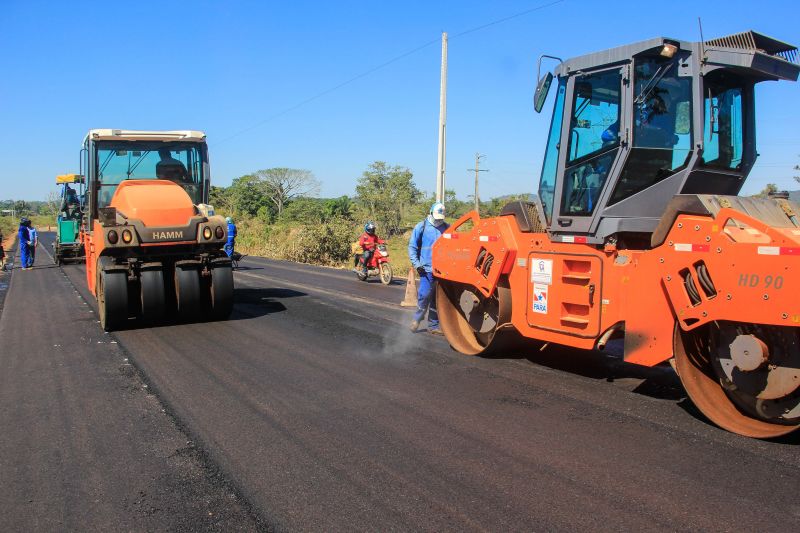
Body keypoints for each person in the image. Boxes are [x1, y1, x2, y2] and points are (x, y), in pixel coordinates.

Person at [408, 202, 449, 334]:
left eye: (440, 218)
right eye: (436, 217)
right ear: (431, 213)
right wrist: (417, 264)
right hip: (426, 268)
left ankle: (434, 325)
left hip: (442, 270)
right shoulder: (422, 227)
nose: (438, 220)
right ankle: (417, 319)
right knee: (424, 295)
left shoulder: (447, 228)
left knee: (436, 298)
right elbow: (412, 247)